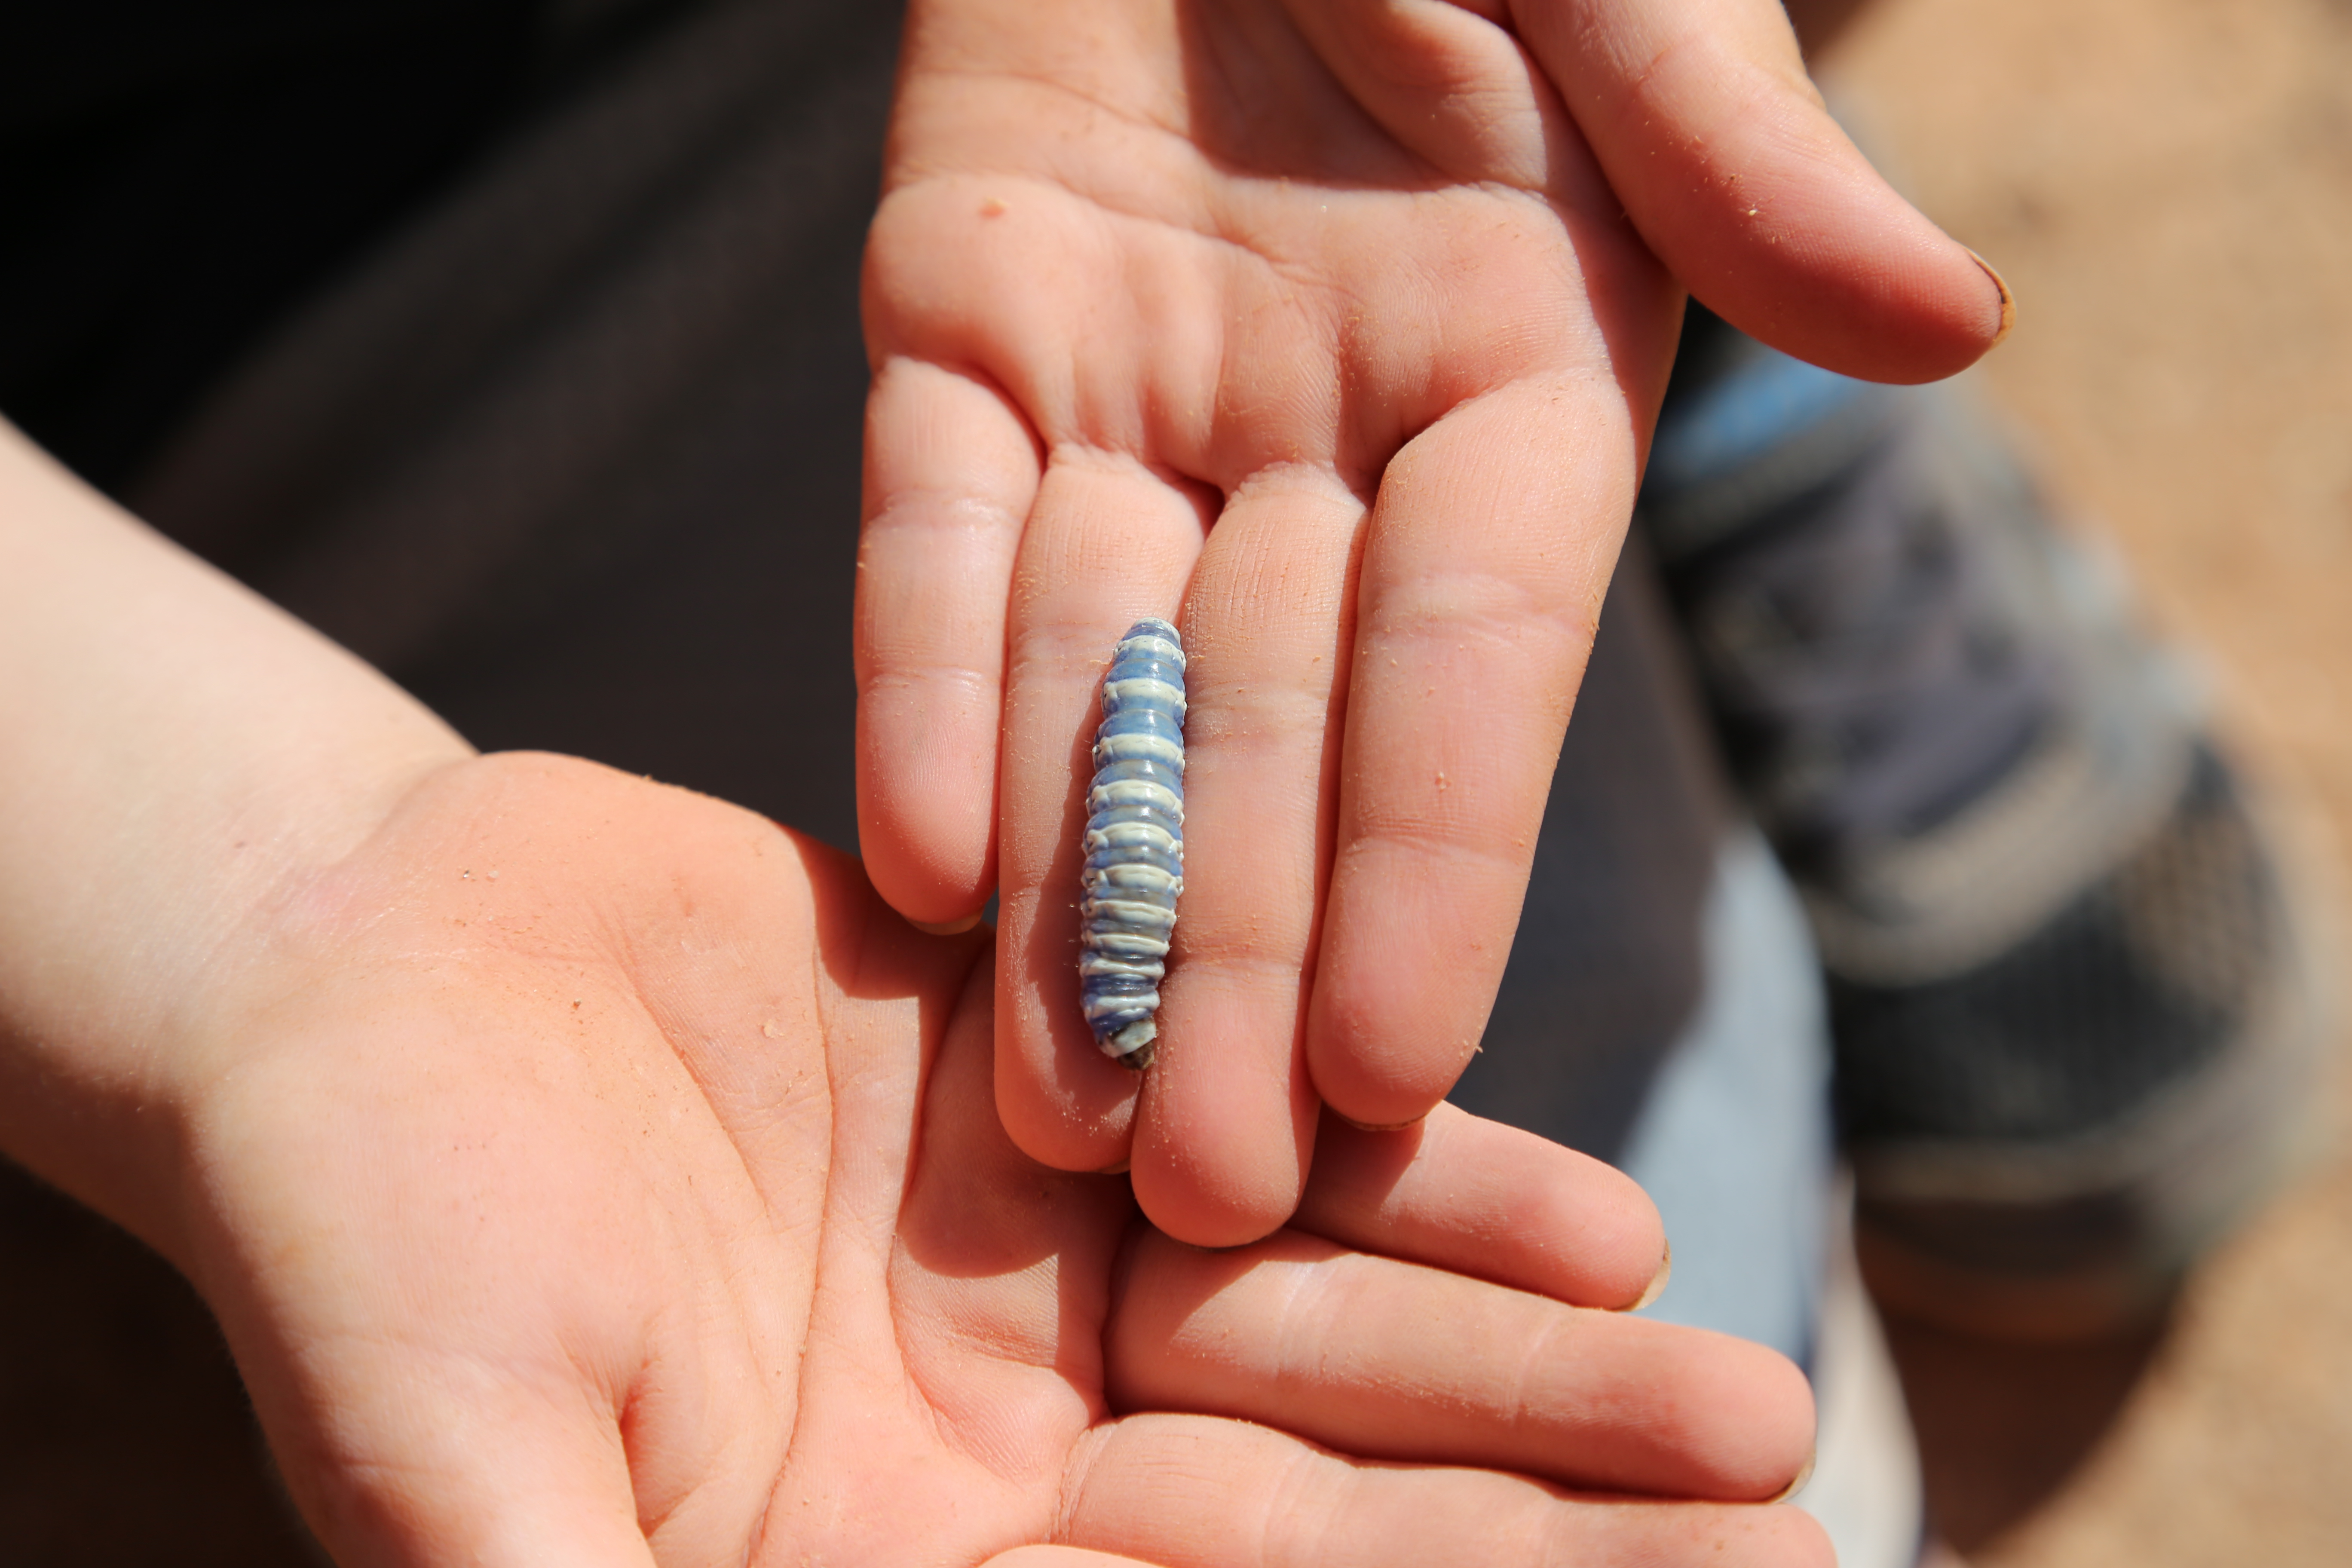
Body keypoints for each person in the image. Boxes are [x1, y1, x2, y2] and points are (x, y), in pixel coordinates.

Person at [1, 0, 2009, 1560]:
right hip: (242, 272)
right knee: (1475, 1309)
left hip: (1126, 98)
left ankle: (1680, 323)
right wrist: (246, 889)